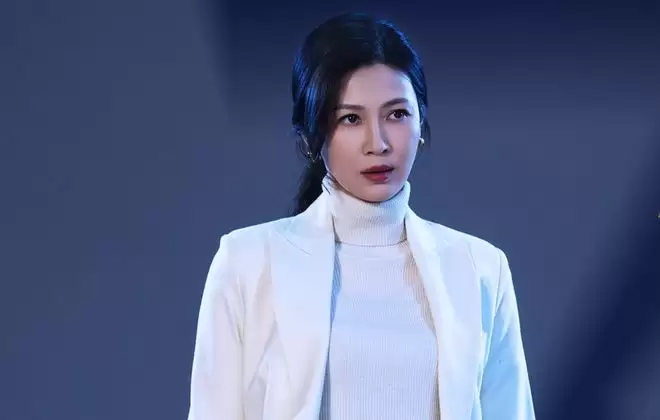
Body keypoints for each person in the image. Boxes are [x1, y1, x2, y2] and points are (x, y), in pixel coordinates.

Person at [187, 12, 535, 420]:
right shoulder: (247, 262)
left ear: (422, 122)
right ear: (311, 137)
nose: (378, 143)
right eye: (350, 119)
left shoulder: (480, 268)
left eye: (396, 114)